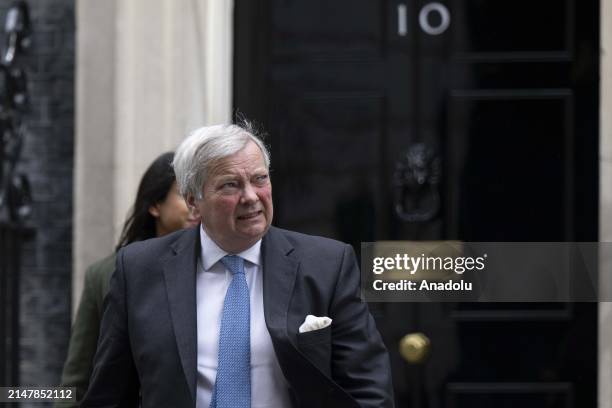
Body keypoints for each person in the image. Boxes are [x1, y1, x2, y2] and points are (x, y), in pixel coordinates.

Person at [82, 123, 394, 407]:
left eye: (260, 179)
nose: (251, 197)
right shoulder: (139, 269)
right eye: (230, 185)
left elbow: (368, 389)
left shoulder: (326, 265)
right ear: (193, 200)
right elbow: (108, 395)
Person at [55, 152, 199, 407]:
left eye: (199, 192)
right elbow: (77, 383)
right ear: (155, 205)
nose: (194, 203)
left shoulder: (222, 269)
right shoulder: (106, 274)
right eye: (183, 194)